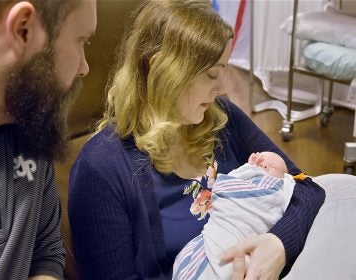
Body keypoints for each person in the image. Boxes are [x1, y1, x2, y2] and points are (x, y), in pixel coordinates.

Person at [68, 1, 325, 279]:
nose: (223, 87)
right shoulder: (101, 171)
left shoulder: (221, 118)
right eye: (211, 74)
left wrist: (278, 245)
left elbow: (306, 188)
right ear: (161, 71)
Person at [0, 0, 97, 279]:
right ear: (23, 28)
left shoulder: (33, 122)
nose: (84, 68)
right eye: (81, 41)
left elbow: (46, 253)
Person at [173, 151, 301, 279]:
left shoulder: (278, 187)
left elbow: (307, 188)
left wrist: (280, 243)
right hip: (214, 236)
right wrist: (248, 167)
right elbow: (226, 184)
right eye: (260, 161)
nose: (263, 165)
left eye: (272, 167)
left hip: (246, 248)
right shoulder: (245, 174)